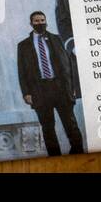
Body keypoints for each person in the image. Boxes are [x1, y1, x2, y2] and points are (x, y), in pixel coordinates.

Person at [17, 12, 84, 157]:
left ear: (46, 22)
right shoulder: (23, 46)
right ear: (31, 23)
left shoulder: (57, 39)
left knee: (71, 124)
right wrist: (26, 93)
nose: (40, 23)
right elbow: (21, 72)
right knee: (47, 128)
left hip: (60, 88)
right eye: (36, 21)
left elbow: (69, 65)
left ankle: (78, 154)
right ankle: (55, 157)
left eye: (42, 20)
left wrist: (72, 87)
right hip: (40, 90)